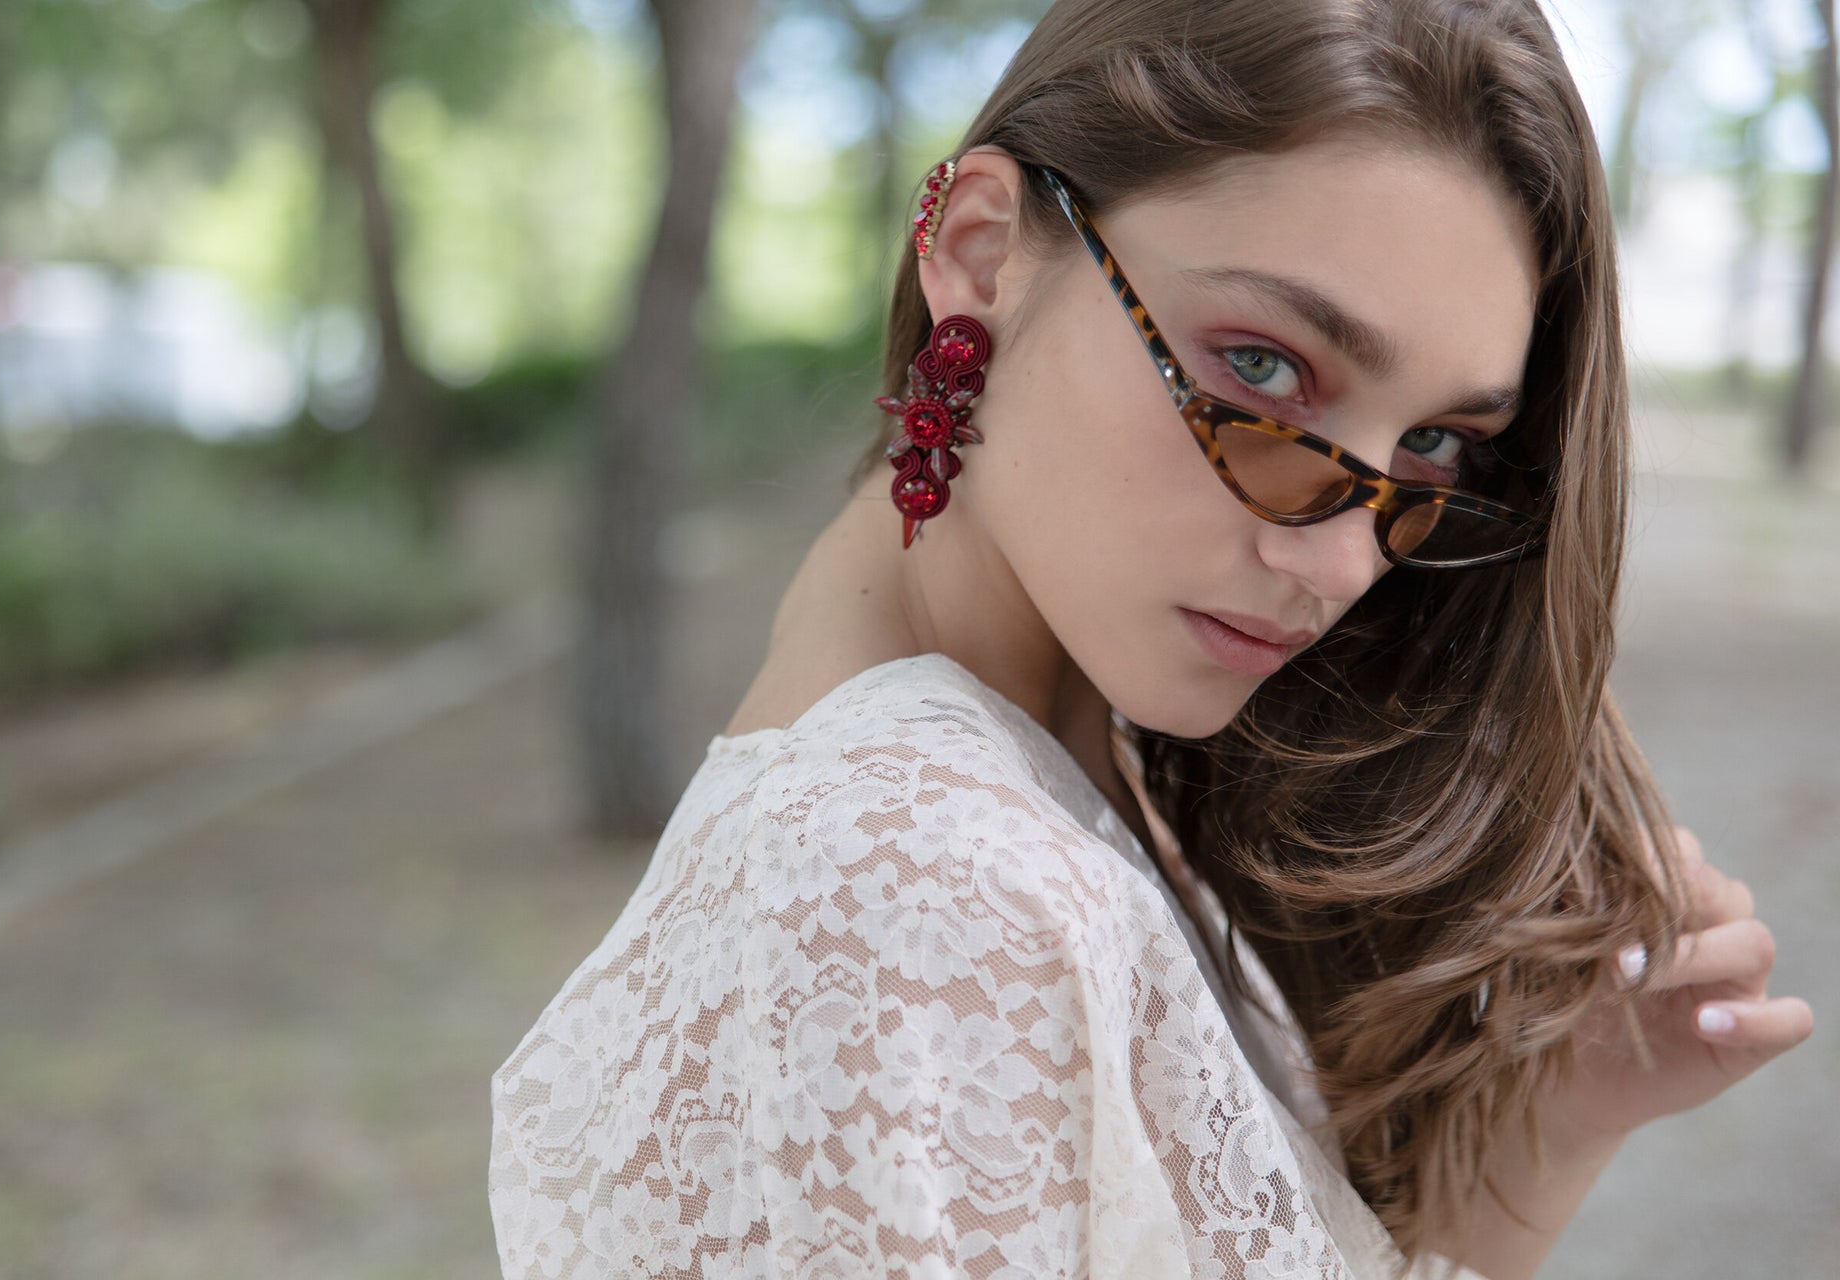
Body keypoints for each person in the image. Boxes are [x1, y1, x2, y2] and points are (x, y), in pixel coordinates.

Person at [489, 0, 1813, 1275]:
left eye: (1433, 445)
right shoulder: (921, 881)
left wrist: (1543, 1143)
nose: (1346, 555)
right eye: (1268, 367)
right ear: (981, 249)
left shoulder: (1061, 775)